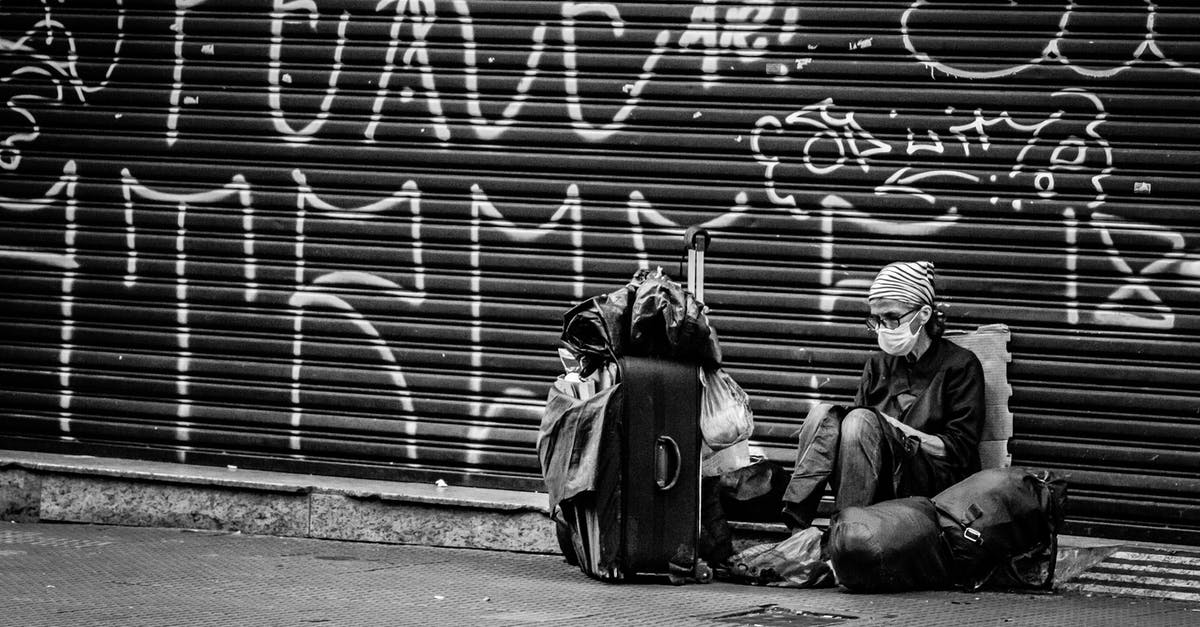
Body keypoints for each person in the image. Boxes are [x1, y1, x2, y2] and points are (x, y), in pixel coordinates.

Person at [780, 261, 985, 530]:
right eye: (876, 320)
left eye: (891, 317)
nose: (882, 327)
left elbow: (958, 450)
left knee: (862, 420)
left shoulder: (960, 364)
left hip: (929, 482)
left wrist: (889, 427)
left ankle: (848, 532)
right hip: (876, 476)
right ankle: (797, 524)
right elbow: (854, 444)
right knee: (824, 414)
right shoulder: (878, 366)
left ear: (923, 314)